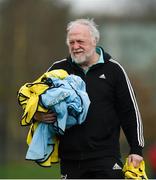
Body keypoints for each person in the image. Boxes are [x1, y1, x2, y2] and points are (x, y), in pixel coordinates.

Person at [34, 18, 145, 179]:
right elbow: (30, 98)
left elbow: (130, 112)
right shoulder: (58, 69)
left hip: (106, 157)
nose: (75, 46)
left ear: (94, 41)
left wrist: (136, 149)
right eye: (71, 42)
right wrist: (37, 115)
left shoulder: (114, 69)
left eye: (80, 41)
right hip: (70, 159)